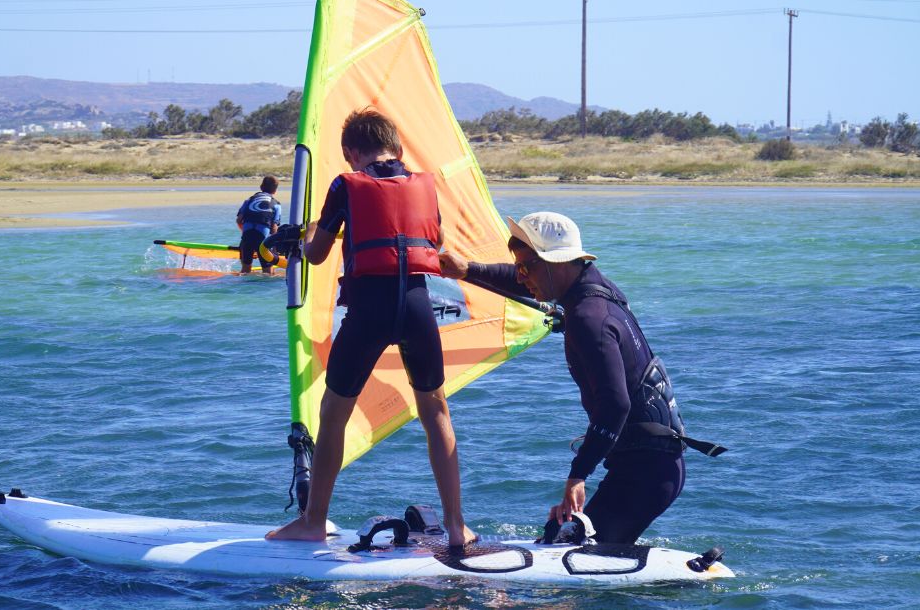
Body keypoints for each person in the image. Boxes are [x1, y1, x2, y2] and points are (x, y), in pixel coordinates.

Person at [440, 212, 718, 544]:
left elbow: (615, 406)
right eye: (519, 268)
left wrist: (577, 476)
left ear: (555, 263)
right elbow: (524, 281)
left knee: (573, 550)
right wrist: (467, 270)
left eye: (526, 267)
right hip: (651, 463)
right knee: (570, 539)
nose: (521, 276)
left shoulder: (589, 320)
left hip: (646, 474)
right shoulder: (597, 288)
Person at [266, 109, 475, 547]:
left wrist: (303, 236)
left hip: (369, 311)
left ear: (350, 152)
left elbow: (317, 254)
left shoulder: (345, 185)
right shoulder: (425, 185)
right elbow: (433, 241)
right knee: (436, 411)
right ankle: (457, 525)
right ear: (397, 148)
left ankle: (313, 521)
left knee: (333, 413)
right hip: (417, 306)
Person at [236, 176, 282, 274]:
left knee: (245, 270)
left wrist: (245, 235)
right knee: (268, 273)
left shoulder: (249, 201)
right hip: (263, 240)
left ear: (261, 187)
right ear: (275, 191)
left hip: (247, 236)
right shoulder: (276, 204)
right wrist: (274, 247)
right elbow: (274, 228)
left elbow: (239, 220)